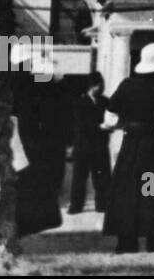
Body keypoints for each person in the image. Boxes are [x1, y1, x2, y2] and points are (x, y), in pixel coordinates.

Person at [102, 43, 154, 253]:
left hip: (130, 149)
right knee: (150, 192)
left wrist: (124, 124)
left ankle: (126, 242)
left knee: (129, 194)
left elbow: (109, 118)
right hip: (153, 152)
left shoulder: (127, 85)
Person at [11, 45, 67, 237]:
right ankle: (39, 221)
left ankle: (24, 223)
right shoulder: (37, 81)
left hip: (21, 135)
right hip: (37, 136)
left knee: (24, 183)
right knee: (36, 181)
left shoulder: (14, 81)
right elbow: (58, 78)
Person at [69, 73, 111, 214]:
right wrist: (100, 127)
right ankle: (76, 205)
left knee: (102, 177)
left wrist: (109, 127)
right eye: (100, 84)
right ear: (93, 86)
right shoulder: (79, 102)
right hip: (83, 146)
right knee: (79, 177)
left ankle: (103, 205)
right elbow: (81, 125)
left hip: (100, 146)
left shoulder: (106, 102)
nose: (102, 87)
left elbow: (111, 118)